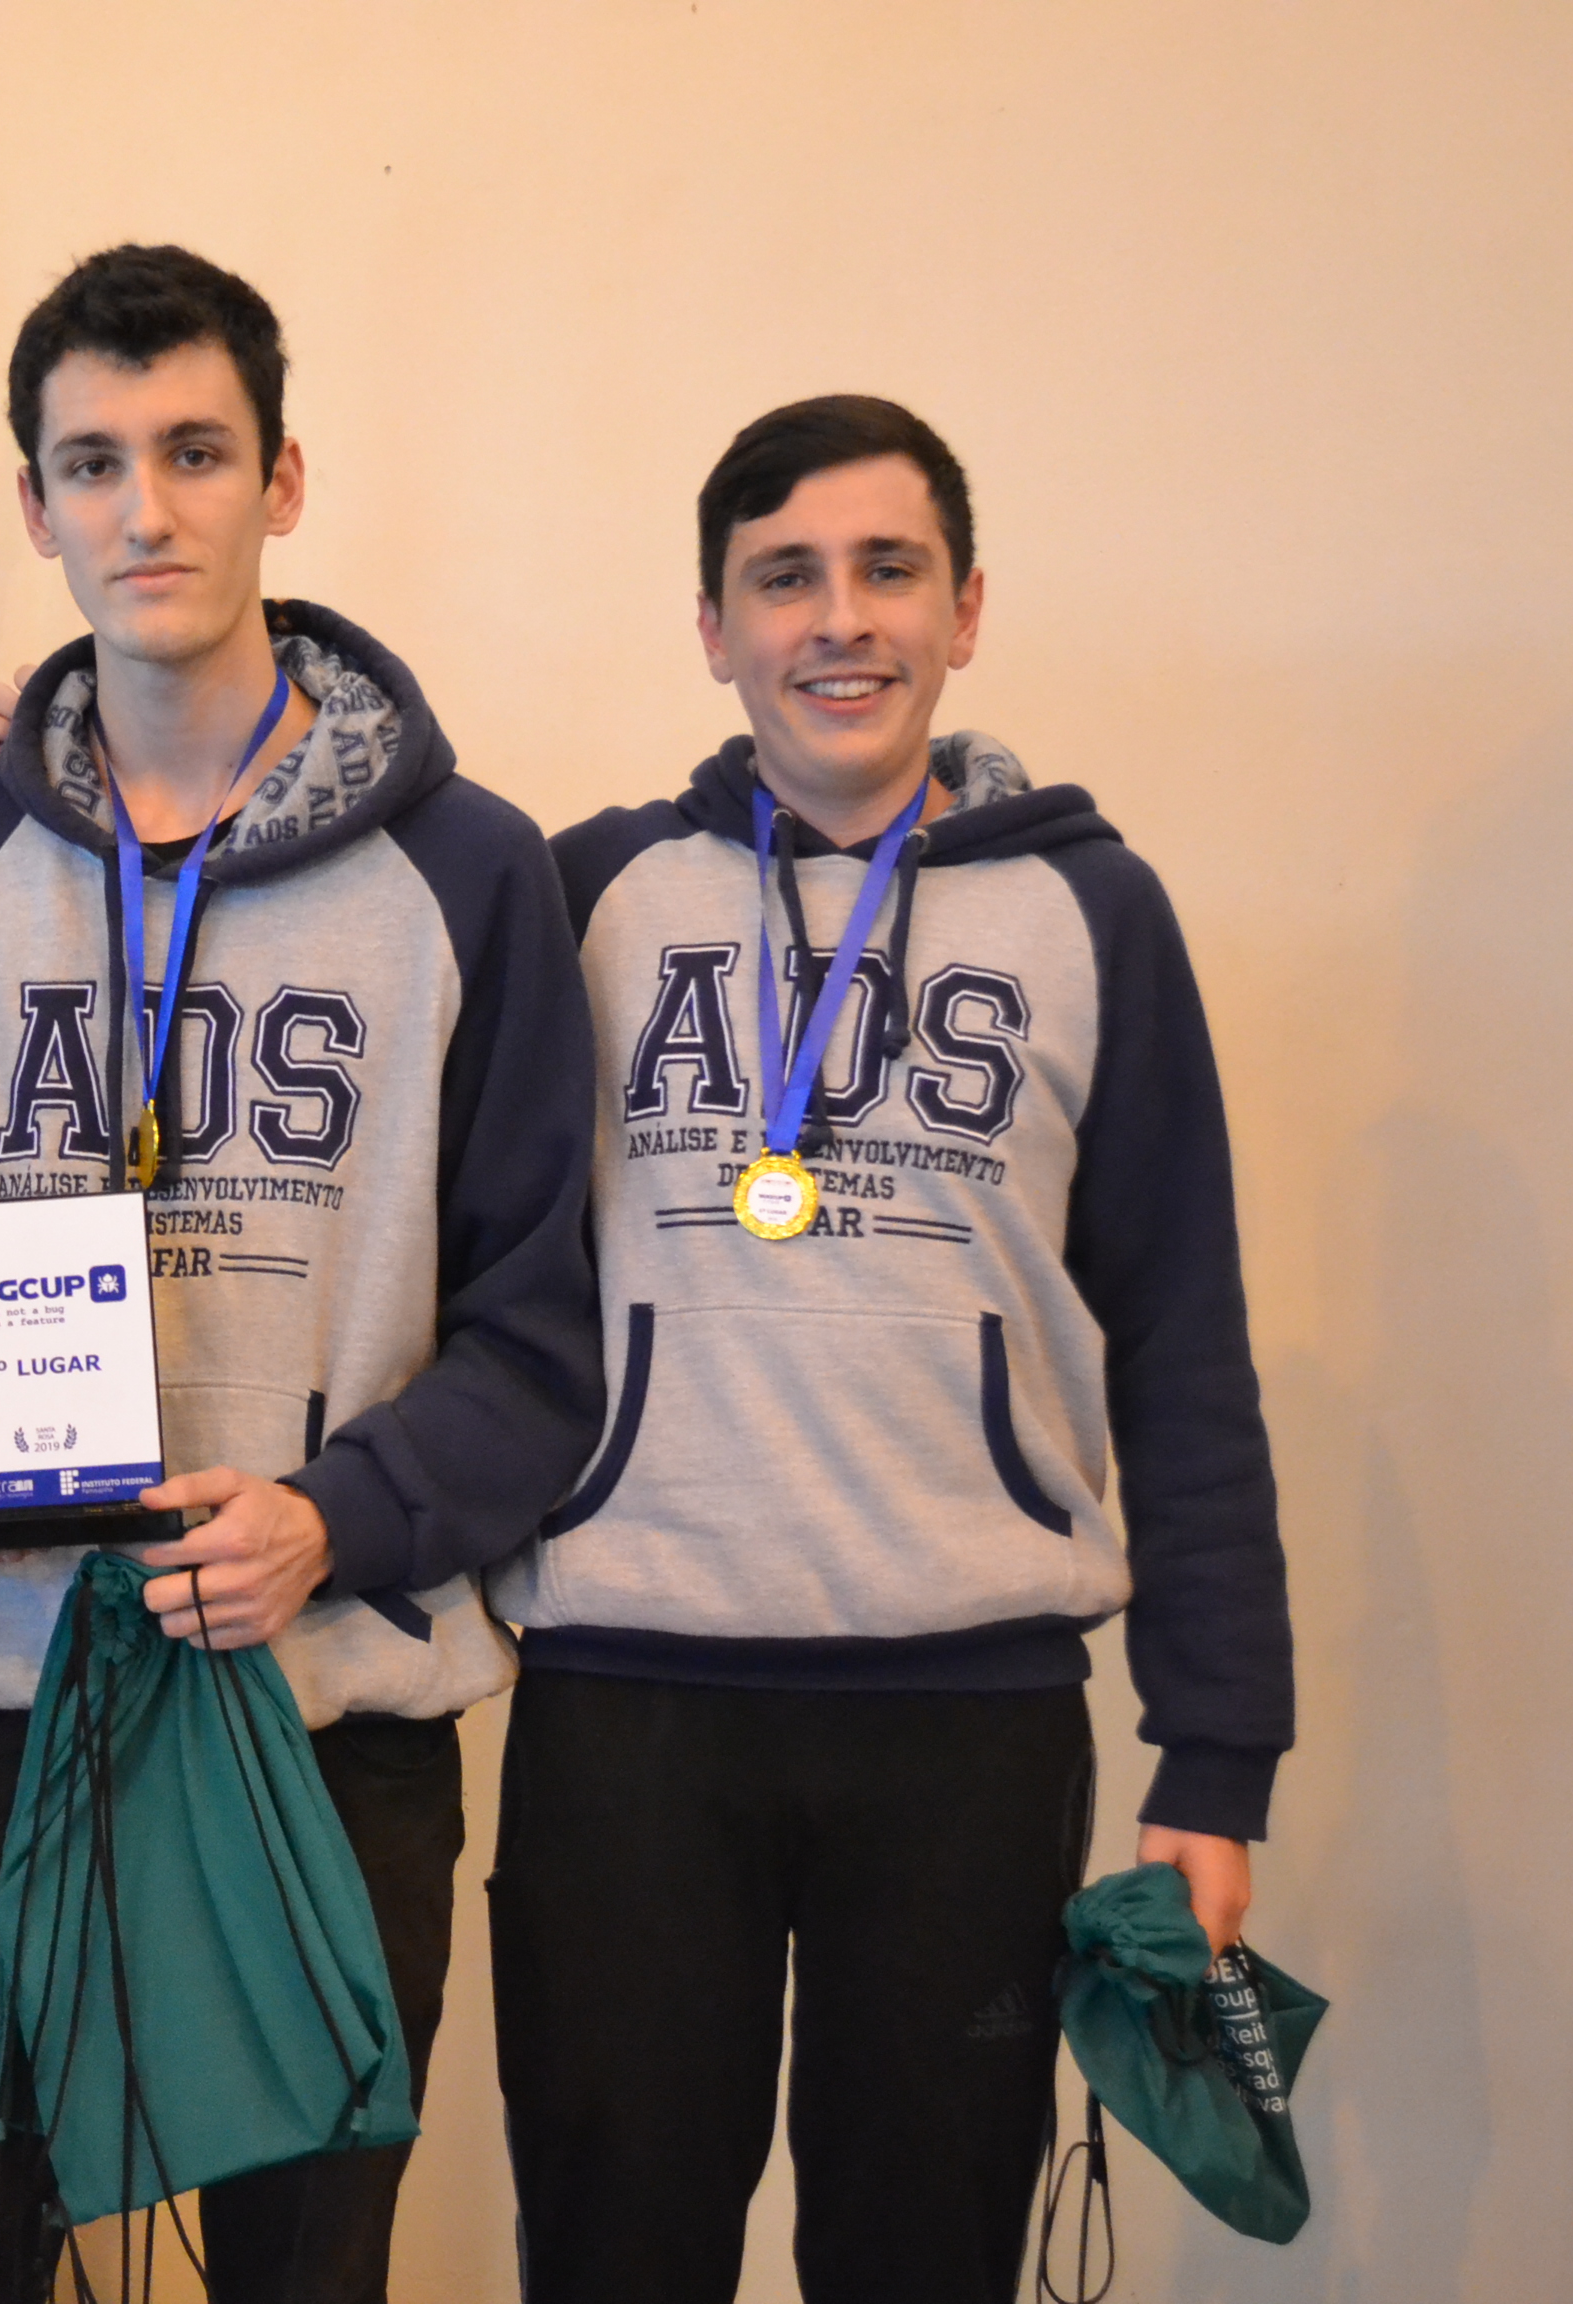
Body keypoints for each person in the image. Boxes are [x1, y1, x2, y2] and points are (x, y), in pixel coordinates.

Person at [0, 244, 605, 2301]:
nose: (145, 510)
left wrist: (335, 1520)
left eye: (194, 452)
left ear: (285, 480)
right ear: (35, 506)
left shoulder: (470, 874)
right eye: (93, 463)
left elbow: (540, 1338)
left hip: (319, 1705)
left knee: (302, 2277)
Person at [489, 396, 1295, 2301]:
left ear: (966, 609)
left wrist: (1216, 1756)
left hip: (969, 1719)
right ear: (713, 627)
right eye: (784, 577)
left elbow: (1185, 1345)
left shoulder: (1095, 910)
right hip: (628, 1706)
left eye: (888, 570)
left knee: (923, 2262)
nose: (838, 619)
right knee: (611, 2257)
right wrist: (97, 749)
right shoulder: (586, 891)